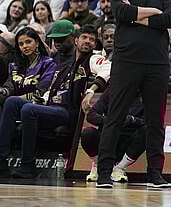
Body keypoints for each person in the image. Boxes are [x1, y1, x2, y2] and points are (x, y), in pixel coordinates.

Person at [97, 0, 171, 188]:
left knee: (156, 121)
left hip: (157, 62)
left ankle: (155, 173)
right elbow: (120, 13)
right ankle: (103, 172)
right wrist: (153, 12)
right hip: (127, 60)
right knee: (115, 117)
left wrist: (140, 14)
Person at [0, 25, 110, 178]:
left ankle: (28, 165)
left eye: (92, 39)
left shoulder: (93, 59)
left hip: (67, 111)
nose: (88, 42)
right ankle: (2, 159)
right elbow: (51, 90)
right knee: (11, 102)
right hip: (51, 106)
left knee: (28, 110)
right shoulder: (66, 66)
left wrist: (91, 91)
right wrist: (41, 100)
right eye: (84, 37)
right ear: (76, 40)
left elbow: (108, 69)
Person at [83, 84, 146, 182]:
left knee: (147, 131)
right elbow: (91, 115)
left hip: (128, 140)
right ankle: (98, 164)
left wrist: (132, 120)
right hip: (107, 137)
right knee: (87, 134)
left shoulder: (146, 92)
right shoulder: (112, 90)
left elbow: (149, 121)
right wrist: (111, 121)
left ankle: (120, 168)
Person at [0, 27, 56, 107]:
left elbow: (41, 91)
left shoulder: (48, 63)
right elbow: (10, 86)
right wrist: (2, 91)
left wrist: (16, 99)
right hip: (13, 103)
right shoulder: (15, 65)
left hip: (35, 104)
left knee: (10, 101)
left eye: (28, 42)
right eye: (21, 44)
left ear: (37, 43)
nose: (25, 46)